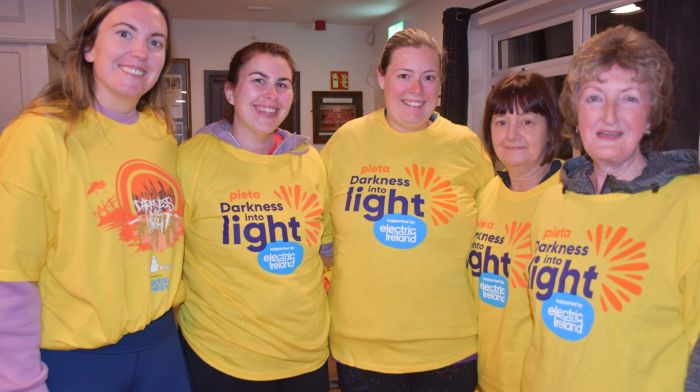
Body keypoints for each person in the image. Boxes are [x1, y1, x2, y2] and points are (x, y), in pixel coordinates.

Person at [0, 0, 190, 390]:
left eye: (156, 42)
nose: (141, 51)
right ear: (88, 48)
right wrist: (20, 381)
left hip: (161, 349)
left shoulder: (160, 132)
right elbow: (10, 273)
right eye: (124, 33)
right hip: (76, 361)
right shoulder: (38, 133)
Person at [521, 25, 700, 391]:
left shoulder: (689, 204)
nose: (609, 116)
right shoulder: (552, 200)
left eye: (630, 98)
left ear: (651, 116)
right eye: (595, 97)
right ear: (575, 110)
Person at [320, 28, 493, 391]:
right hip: (363, 350)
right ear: (382, 77)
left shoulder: (465, 147)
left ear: (441, 84)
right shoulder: (346, 142)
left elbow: (495, 234)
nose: (417, 90)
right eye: (404, 75)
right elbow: (322, 235)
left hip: (450, 348)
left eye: (429, 77)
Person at [176, 42, 330, 391]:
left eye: (282, 83)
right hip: (222, 357)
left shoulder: (310, 161)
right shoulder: (189, 161)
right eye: (258, 80)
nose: (271, 95)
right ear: (229, 91)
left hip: (306, 356)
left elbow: (325, 246)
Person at [468, 72, 561, 391]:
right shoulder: (486, 194)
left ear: (550, 128)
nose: (512, 135)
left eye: (527, 121)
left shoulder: (573, 196)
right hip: (488, 379)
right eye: (501, 121)